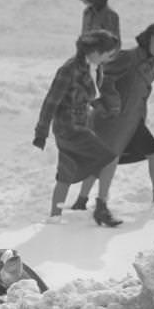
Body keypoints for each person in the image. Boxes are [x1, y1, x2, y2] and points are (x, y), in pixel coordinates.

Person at [71, 23, 154, 210]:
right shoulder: (128, 57)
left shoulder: (153, 65)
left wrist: (141, 117)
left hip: (133, 121)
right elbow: (102, 75)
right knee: (105, 160)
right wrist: (112, 101)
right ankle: (81, 201)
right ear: (147, 39)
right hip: (113, 120)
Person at [33, 30, 122, 225]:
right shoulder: (69, 69)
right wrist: (41, 132)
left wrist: (103, 109)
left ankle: (54, 217)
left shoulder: (95, 67)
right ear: (95, 52)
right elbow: (51, 102)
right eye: (108, 53)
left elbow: (92, 95)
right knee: (109, 159)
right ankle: (101, 207)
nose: (110, 57)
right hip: (69, 128)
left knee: (65, 173)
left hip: (81, 124)